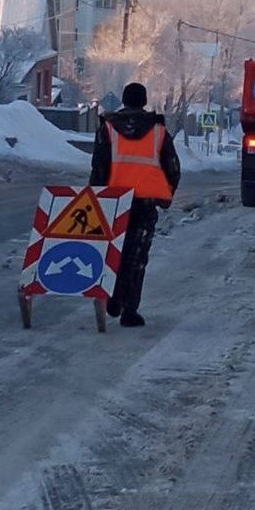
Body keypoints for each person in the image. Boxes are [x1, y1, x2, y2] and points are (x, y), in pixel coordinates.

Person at [89, 82, 180, 327]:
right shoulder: (159, 131)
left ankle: (113, 297)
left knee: (113, 252)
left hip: (113, 202)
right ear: (144, 100)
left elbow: (98, 167)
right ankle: (130, 309)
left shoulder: (107, 129)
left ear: (124, 100)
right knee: (137, 255)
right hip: (145, 203)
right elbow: (173, 168)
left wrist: (95, 200)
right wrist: (165, 194)